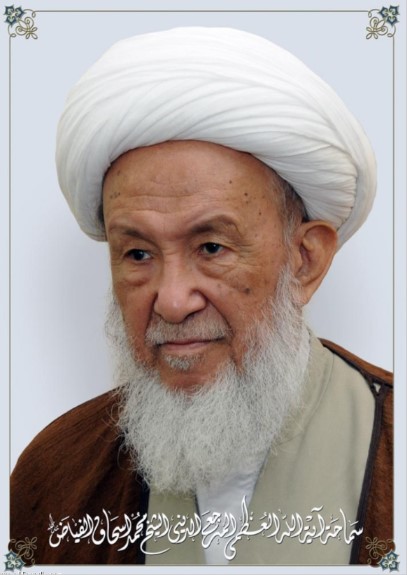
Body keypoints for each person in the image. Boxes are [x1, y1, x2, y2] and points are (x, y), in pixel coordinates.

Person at [10, 27, 392, 566]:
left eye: (211, 247)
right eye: (138, 254)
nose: (172, 302)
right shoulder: (56, 472)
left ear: (305, 260)